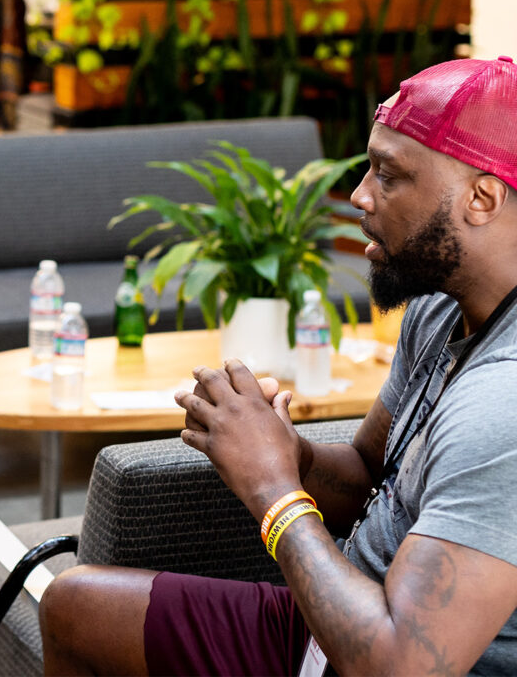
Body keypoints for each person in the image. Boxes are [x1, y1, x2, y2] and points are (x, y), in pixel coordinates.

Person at [40, 55, 517, 676]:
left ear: (481, 197)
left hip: (383, 650)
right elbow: (370, 470)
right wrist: (285, 450)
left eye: (389, 175)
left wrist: (272, 488)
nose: (359, 196)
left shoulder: (502, 404)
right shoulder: (438, 309)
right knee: (75, 608)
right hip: (346, 616)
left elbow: (401, 667)